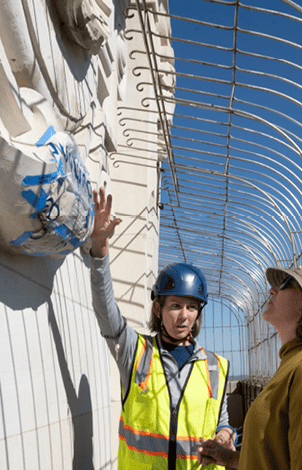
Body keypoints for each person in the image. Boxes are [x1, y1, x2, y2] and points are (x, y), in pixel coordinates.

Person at [88, 187, 237, 469]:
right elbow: (106, 311)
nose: (184, 316)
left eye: (192, 307)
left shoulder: (215, 367)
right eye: (175, 306)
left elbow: (223, 421)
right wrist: (100, 252)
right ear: (158, 309)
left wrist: (226, 434)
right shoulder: (136, 352)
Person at [197, 259, 302, 469]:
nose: (271, 290)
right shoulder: (297, 364)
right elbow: (279, 457)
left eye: (287, 282)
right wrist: (230, 458)